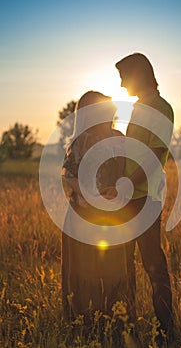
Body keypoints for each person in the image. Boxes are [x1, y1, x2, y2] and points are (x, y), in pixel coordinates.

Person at [107, 53, 174, 344]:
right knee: (125, 265)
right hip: (127, 198)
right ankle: (128, 326)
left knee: (153, 264)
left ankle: (165, 329)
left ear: (138, 74)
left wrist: (126, 186)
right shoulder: (139, 108)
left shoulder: (160, 108)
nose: (121, 85)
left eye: (124, 77)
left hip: (145, 199)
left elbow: (154, 158)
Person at [61, 91, 131, 325]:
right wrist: (90, 195)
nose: (113, 109)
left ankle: (116, 320)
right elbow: (68, 176)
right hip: (82, 215)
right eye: (106, 106)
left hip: (112, 216)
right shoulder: (82, 140)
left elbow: (127, 173)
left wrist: (118, 189)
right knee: (84, 274)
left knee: (115, 271)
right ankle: (86, 324)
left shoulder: (119, 137)